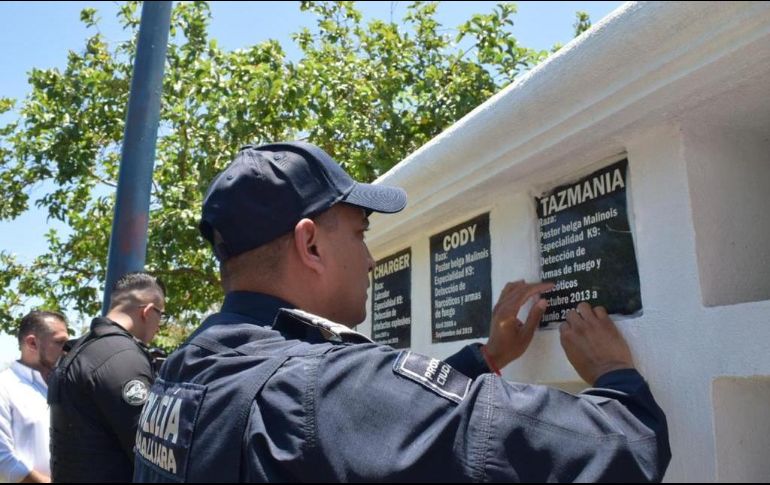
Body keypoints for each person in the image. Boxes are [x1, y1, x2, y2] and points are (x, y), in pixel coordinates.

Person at [133, 141, 671, 482]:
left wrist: (484, 357)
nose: (370, 261)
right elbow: (619, 451)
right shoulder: (319, 389)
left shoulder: (184, 369)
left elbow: (370, 420)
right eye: (361, 234)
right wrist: (615, 378)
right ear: (311, 246)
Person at [48, 272, 167, 482]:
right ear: (147, 312)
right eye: (162, 315)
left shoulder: (82, 350)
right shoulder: (123, 357)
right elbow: (152, 453)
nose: (159, 326)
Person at [0, 311, 68, 483]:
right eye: (60, 342)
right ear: (32, 343)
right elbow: (3, 462)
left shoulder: (64, 387)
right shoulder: (4, 387)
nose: (67, 350)